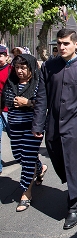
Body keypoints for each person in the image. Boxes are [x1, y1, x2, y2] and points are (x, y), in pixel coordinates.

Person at [32, 28, 77, 229]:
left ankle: (74, 206)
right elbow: (42, 97)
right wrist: (38, 124)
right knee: (56, 155)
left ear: (76, 44)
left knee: (72, 161)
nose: (61, 47)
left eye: (66, 43)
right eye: (59, 43)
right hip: (53, 123)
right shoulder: (49, 66)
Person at [2, 54, 46, 212]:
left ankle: (26, 193)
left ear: (31, 68)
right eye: (17, 67)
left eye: (23, 67)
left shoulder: (38, 83)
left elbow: (43, 105)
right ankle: (40, 168)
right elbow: (5, 101)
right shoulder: (11, 82)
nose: (20, 71)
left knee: (27, 160)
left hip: (32, 128)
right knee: (19, 156)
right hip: (14, 126)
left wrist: (27, 103)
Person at [0, 45, 12, 175]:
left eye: (0, 55)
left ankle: (33, 162)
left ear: (6, 57)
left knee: (15, 138)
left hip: (9, 110)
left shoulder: (12, 70)